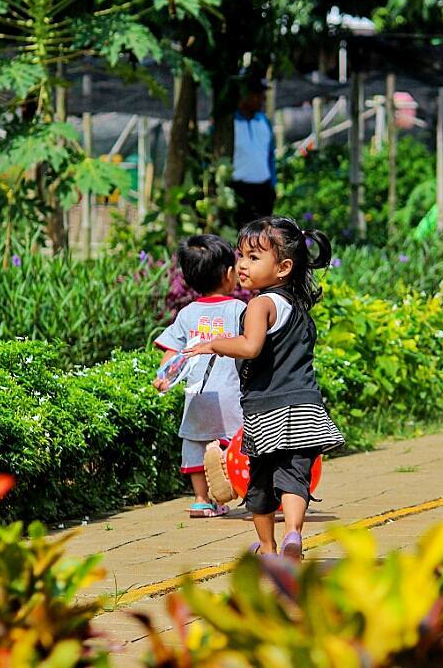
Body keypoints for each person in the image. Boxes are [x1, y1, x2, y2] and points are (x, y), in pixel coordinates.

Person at [186, 217, 344, 562]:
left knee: (259, 482)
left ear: (284, 267)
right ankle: (293, 533)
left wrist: (214, 344)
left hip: (266, 409)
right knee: (294, 476)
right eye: (241, 255)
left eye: (253, 257)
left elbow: (251, 346)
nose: (241, 264)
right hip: (305, 405)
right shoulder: (298, 307)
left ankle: (269, 547)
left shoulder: (260, 304)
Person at [153, 234, 246, 518]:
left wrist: (163, 377)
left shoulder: (187, 313)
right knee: (237, 443)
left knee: (196, 444)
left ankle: (201, 499)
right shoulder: (238, 309)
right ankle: (234, 488)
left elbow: (172, 351)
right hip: (230, 393)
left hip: (196, 393)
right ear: (229, 274)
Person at [230, 76, 276, 228]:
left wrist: (273, 184)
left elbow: (270, 155)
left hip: (263, 189)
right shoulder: (231, 123)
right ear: (244, 95)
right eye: (257, 95)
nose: (262, 99)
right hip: (239, 190)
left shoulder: (264, 121)